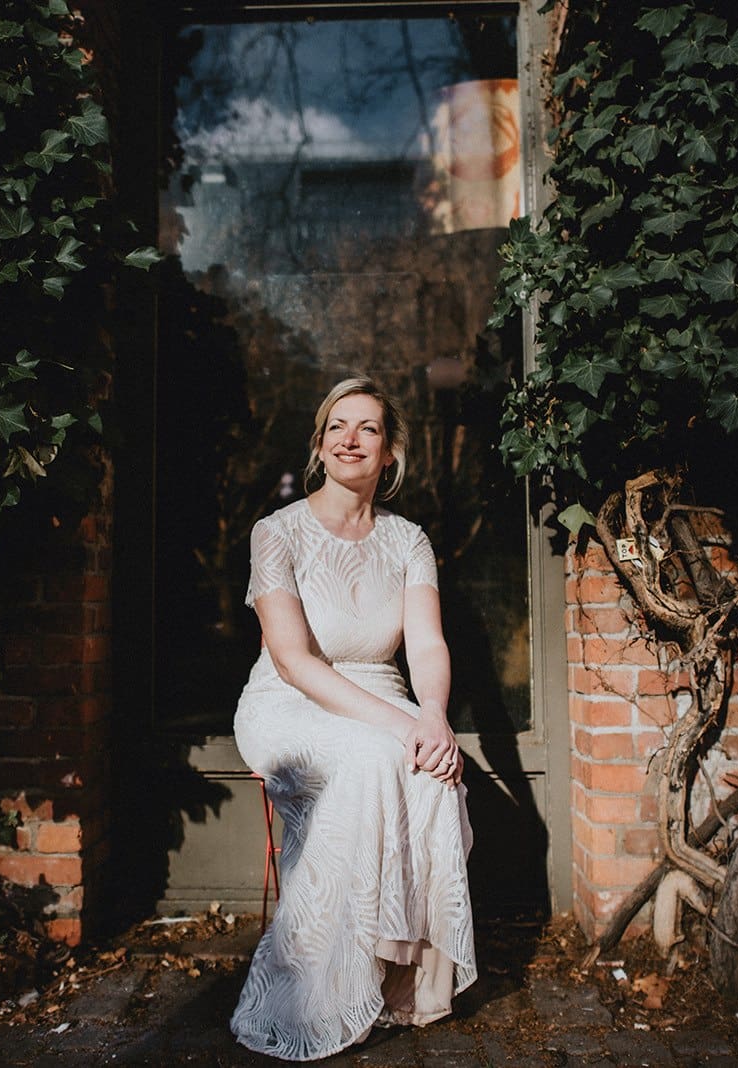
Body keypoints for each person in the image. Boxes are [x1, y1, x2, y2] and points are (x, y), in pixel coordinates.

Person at [229, 377, 476, 1061]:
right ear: (319, 445)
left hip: (385, 695)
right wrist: (403, 729)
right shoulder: (276, 533)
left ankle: (394, 979)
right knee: (374, 760)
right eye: (337, 426)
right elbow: (292, 661)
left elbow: (426, 645)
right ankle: (316, 994)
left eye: (368, 428)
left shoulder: (409, 540)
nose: (350, 439)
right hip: (291, 701)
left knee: (436, 775)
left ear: (389, 452)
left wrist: (432, 717)